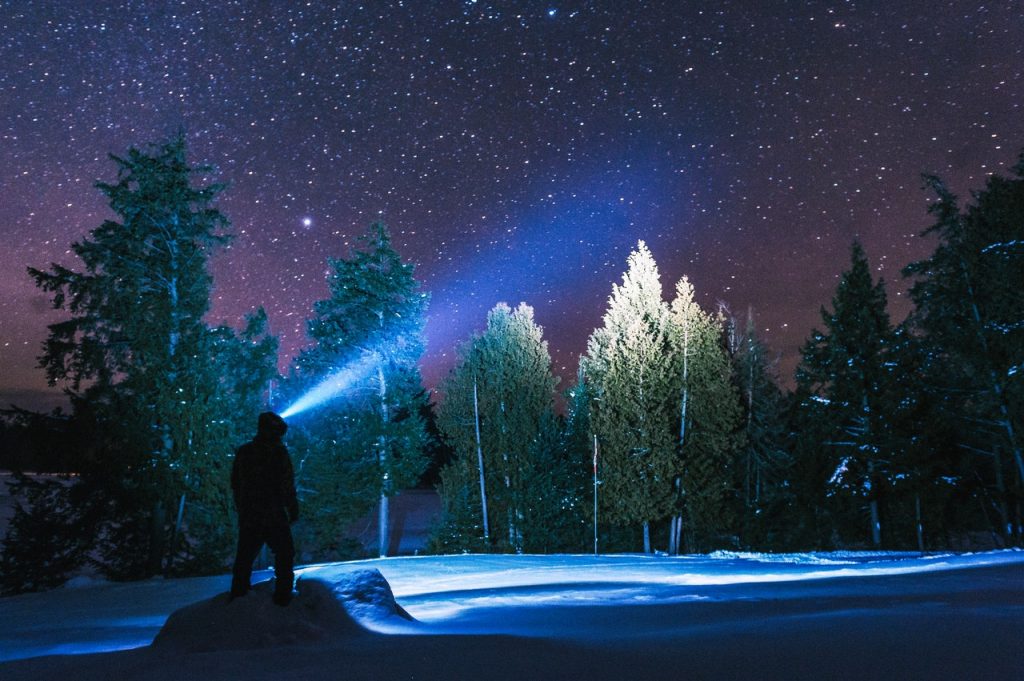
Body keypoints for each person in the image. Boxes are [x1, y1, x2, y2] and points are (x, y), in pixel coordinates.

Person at [230, 411, 299, 606]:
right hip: (273, 513)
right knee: (285, 554)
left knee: (244, 558)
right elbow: (286, 484)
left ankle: (238, 599)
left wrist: (241, 508)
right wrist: (292, 507)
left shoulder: (245, 452)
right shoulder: (278, 453)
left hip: (250, 513)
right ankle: (283, 599)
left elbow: (235, 483)